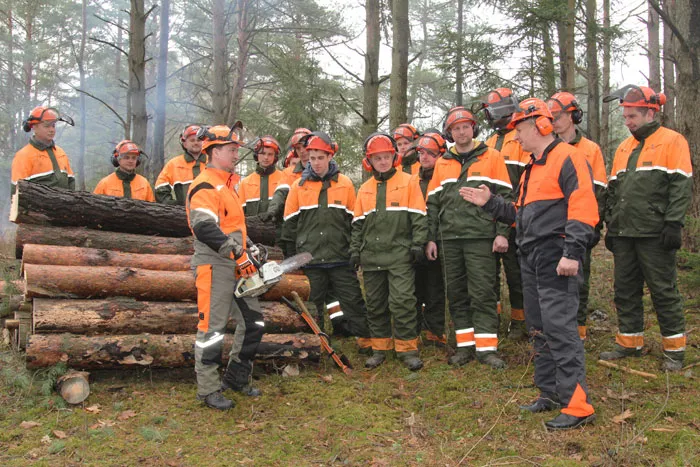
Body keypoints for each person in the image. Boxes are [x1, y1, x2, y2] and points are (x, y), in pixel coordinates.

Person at [461, 97, 597, 430]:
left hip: (557, 254)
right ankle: (549, 393)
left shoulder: (569, 157)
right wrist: (491, 203)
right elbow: (521, 216)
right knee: (539, 327)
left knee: (561, 329)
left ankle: (578, 405)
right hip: (531, 255)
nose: (516, 138)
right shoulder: (531, 169)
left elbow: (583, 208)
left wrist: (572, 252)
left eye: (520, 130)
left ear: (541, 125)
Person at [600, 85, 692, 371]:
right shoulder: (624, 147)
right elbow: (613, 191)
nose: (627, 122)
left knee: (663, 291)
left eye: (632, 117)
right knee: (625, 290)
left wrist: (673, 224)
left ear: (650, 112)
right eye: (625, 117)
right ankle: (630, 343)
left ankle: (674, 351)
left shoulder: (672, 141)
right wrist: (611, 226)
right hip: (625, 233)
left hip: (655, 233)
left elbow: (681, 186)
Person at [425, 106, 513, 369]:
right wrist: (431, 238)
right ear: (450, 133)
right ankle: (465, 346)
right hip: (449, 239)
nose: (461, 132)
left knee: (483, 292)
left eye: (465, 126)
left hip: (481, 237)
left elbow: (506, 199)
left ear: (473, 129)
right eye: (456, 128)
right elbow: (432, 204)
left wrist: (502, 233)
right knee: (457, 293)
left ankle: (487, 349)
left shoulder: (492, 157)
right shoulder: (443, 162)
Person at [186, 125, 265, 411]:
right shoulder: (205, 185)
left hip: (236, 263)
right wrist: (236, 252)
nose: (235, 154)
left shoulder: (228, 185)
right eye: (231, 150)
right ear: (215, 151)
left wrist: (250, 247)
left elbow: (231, 228)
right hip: (215, 264)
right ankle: (207, 389)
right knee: (212, 329)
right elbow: (204, 227)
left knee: (254, 321)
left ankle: (236, 377)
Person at [282, 132, 371, 352]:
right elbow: (289, 227)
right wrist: (292, 259)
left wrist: (354, 251)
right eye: (312, 158)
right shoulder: (298, 186)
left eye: (320, 157)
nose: (316, 163)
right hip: (310, 259)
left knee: (353, 301)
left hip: (340, 257)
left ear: (330, 156)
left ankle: (368, 343)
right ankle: (314, 346)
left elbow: (354, 222)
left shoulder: (345, 184)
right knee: (312, 305)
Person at [350, 133, 428, 370]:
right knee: (375, 303)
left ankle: (407, 349)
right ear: (369, 162)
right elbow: (357, 225)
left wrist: (418, 244)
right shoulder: (364, 189)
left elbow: (419, 217)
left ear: (394, 157)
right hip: (371, 256)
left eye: (386, 157)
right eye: (377, 158)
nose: (382, 162)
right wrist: (355, 251)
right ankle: (380, 348)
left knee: (403, 301)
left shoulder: (409, 181)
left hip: (400, 254)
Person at [547, 91, 608, 340]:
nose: (553, 122)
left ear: (573, 116)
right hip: (551, 226)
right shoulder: (547, 147)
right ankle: (553, 330)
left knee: (579, 281)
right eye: (549, 117)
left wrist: (593, 226)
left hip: (578, 226)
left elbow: (600, 191)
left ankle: (578, 330)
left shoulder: (590, 149)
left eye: (557, 116)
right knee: (550, 280)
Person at [483, 88, 528, 339]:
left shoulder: (521, 140)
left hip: (516, 219)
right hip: (489, 219)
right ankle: (494, 319)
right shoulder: (489, 143)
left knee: (517, 274)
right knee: (490, 276)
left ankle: (521, 322)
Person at [410, 131, 448, 346]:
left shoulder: (445, 179)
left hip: (437, 240)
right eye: (421, 153)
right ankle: (414, 329)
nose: (424, 157)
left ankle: (435, 331)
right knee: (415, 287)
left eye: (430, 153)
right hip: (415, 239)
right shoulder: (412, 180)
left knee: (434, 288)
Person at [12, 106, 75, 195]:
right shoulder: (24, 155)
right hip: (36, 208)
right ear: (34, 127)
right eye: (47, 126)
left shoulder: (61, 153)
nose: (51, 130)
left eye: (53, 126)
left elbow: (71, 182)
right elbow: (17, 192)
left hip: (63, 207)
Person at [155, 125, 206, 205]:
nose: (196, 143)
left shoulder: (213, 162)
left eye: (199, 140)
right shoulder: (174, 164)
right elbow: (160, 189)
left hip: (213, 214)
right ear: (184, 143)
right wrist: (174, 208)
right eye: (192, 140)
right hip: (183, 215)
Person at [238, 136, 285, 217]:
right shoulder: (245, 183)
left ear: (275, 157)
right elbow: (240, 214)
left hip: (277, 229)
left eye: (270, 154)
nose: (266, 157)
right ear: (256, 155)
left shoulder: (284, 179)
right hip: (253, 228)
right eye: (263, 153)